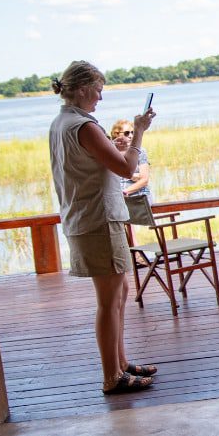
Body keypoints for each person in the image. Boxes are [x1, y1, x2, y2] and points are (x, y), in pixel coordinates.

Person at [48, 61, 159, 395]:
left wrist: (117, 148)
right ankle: (111, 376)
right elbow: (128, 169)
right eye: (98, 90)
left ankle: (120, 362)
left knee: (120, 292)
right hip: (97, 221)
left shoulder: (61, 123)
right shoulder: (84, 126)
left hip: (88, 218)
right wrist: (139, 131)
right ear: (82, 89)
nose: (100, 97)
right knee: (109, 300)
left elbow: (94, 163)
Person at [110, 118, 152, 200]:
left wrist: (125, 192)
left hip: (139, 196)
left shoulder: (140, 151)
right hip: (117, 197)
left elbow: (144, 180)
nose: (130, 135)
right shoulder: (111, 152)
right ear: (116, 134)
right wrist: (133, 176)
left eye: (133, 132)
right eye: (126, 133)